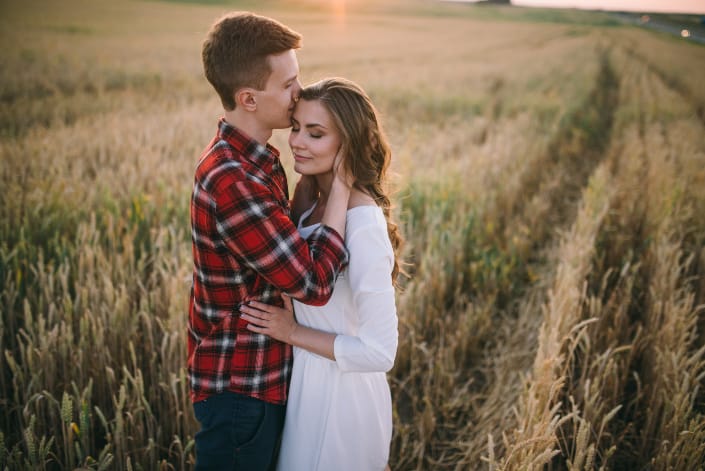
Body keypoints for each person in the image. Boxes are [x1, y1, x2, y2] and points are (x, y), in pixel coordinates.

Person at [189, 13, 354, 470]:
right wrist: (340, 187)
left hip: (256, 378)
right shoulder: (234, 180)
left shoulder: (255, 160)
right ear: (249, 98)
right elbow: (315, 282)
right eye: (288, 84)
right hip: (242, 384)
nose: (299, 92)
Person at [240, 77, 402, 471]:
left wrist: (292, 332)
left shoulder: (363, 224)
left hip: (342, 400)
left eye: (316, 133)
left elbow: (381, 352)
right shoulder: (312, 203)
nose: (296, 141)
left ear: (348, 143)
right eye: (296, 127)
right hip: (306, 385)